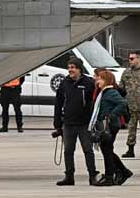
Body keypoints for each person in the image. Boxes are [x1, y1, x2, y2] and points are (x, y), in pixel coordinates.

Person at [53, 57, 97, 186]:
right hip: (68, 123)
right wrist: (57, 124)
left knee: (88, 150)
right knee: (68, 151)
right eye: (69, 67)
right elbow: (58, 103)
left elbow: (94, 101)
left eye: (73, 67)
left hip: (84, 123)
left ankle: (92, 175)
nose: (70, 70)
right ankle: (69, 176)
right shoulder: (64, 83)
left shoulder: (89, 82)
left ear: (79, 69)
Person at [91, 69, 132, 186]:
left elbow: (122, 103)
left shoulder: (111, 92)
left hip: (110, 126)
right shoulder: (103, 92)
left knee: (107, 151)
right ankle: (122, 171)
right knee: (107, 150)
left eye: (100, 78)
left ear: (106, 80)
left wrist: (112, 115)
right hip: (104, 125)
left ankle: (110, 176)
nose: (97, 80)